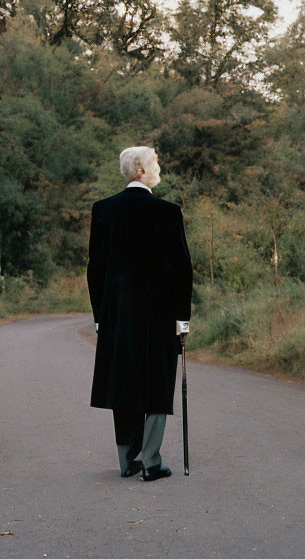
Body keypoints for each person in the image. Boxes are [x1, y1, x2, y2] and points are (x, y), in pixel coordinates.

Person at [88, 146, 193, 481]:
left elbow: (96, 269)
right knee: (157, 383)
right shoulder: (168, 212)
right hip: (159, 315)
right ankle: (150, 461)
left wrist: (100, 316)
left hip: (117, 315)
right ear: (140, 171)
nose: (159, 168)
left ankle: (126, 460)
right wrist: (183, 320)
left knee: (124, 381)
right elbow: (182, 270)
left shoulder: (104, 209)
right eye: (155, 164)